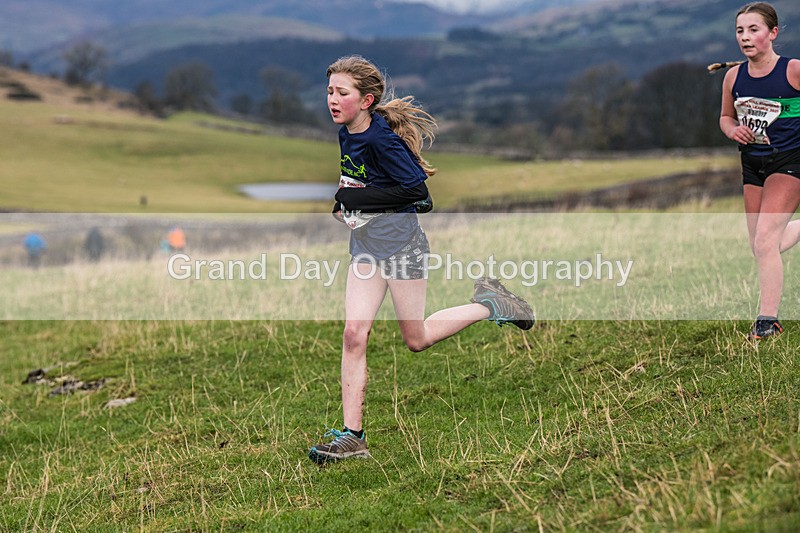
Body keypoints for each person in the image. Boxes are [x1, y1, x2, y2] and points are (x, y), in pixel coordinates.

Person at [308, 55, 535, 464]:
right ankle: (352, 437)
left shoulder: (381, 140)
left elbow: (419, 196)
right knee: (353, 334)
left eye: (342, 93)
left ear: (366, 100)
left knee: (416, 339)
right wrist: (344, 206)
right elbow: (358, 182)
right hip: (366, 249)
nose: (332, 100)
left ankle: (490, 304)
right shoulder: (348, 133)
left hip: (402, 248)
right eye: (330, 92)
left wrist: (353, 199)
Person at [718, 2, 800, 340]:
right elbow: (725, 117)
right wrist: (732, 130)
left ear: (773, 33)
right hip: (752, 163)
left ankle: (768, 321)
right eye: (740, 30)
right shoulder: (733, 77)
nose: (745, 37)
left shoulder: (793, 70)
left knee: (766, 240)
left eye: (754, 29)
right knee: (761, 244)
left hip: (789, 161)